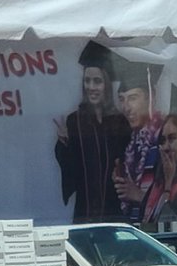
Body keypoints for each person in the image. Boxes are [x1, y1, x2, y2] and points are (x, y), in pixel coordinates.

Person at [54, 41, 129, 223]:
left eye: (97, 81)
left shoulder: (120, 122)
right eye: (87, 81)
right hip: (85, 209)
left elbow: (129, 163)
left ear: (106, 84)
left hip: (114, 208)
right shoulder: (75, 121)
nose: (91, 87)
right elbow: (71, 170)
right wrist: (63, 144)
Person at [112, 62, 164, 224]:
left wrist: (138, 195)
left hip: (157, 236)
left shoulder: (165, 139)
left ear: (151, 97)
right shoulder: (130, 143)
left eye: (133, 98)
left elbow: (176, 201)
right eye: (122, 99)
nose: (126, 107)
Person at [141, 114, 177, 224]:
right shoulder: (158, 180)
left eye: (172, 139)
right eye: (162, 141)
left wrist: (168, 184)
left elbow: (170, 219)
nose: (165, 147)